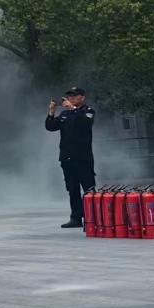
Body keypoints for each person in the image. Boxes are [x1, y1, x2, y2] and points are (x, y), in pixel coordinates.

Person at [45, 87, 96, 229]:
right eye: (69, 96)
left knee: (89, 189)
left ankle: (92, 218)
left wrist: (73, 109)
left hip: (83, 157)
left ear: (82, 97)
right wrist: (51, 112)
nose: (71, 98)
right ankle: (76, 217)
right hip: (67, 157)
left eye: (74, 95)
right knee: (72, 189)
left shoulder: (88, 111)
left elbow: (85, 123)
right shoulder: (64, 114)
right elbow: (50, 127)